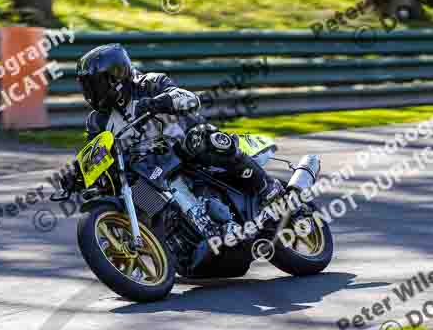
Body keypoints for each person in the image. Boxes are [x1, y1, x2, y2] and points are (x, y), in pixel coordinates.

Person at [67, 43, 283, 265]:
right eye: (87, 86)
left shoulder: (150, 83)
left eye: (96, 84)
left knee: (203, 138)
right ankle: (180, 243)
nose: (92, 91)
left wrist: (156, 103)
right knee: (131, 188)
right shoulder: (97, 121)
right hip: (151, 167)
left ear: (115, 76)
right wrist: (76, 175)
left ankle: (266, 187)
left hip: (184, 147)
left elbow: (189, 98)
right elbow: (96, 151)